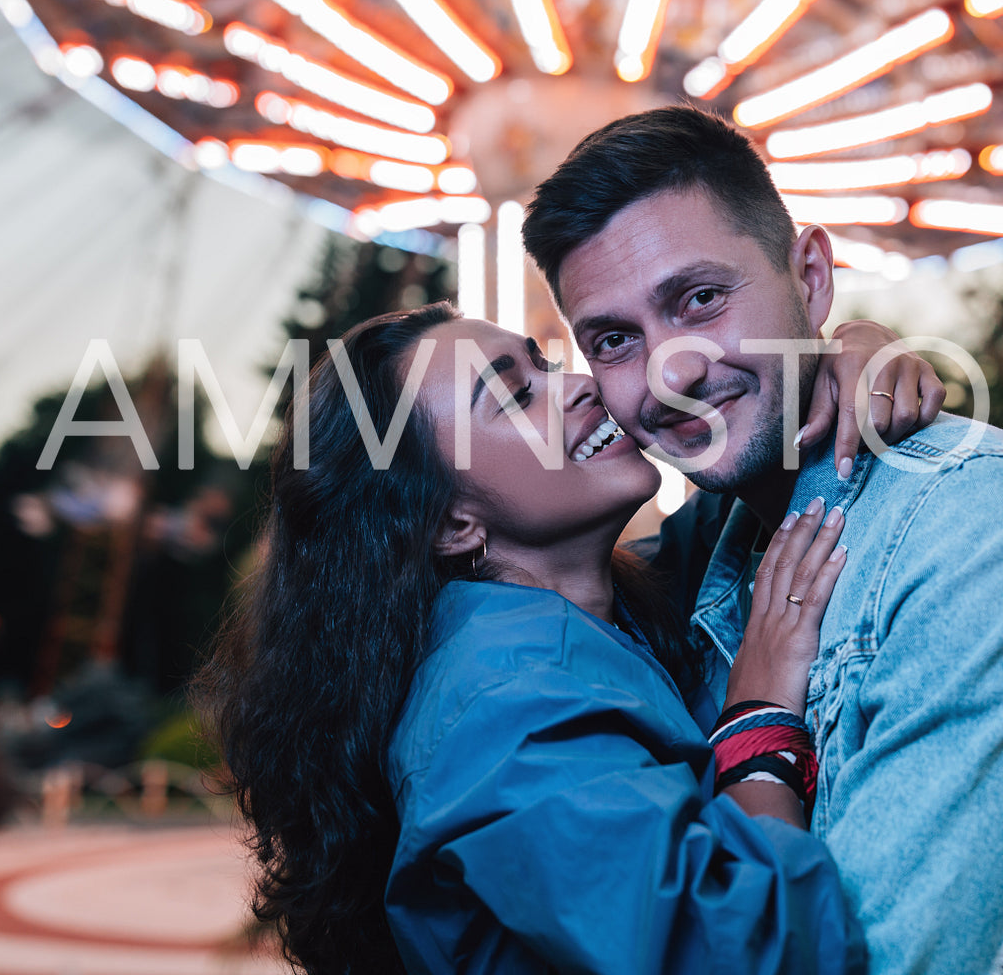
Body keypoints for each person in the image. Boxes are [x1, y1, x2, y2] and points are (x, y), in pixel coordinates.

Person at [522, 105, 1003, 974]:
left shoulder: (987, 535)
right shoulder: (705, 553)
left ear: (810, 278)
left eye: (700, 298)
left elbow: (906, 957)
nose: (674, 373)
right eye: (615, 339)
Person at [196, 303, 942, 974]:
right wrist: (756, 719)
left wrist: (849, 351)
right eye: (516, 395)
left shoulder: (616, 602)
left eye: (545, 364)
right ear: (453, 524)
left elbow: (770, 466)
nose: (579, 385)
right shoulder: (505, 711)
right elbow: (758, 955)